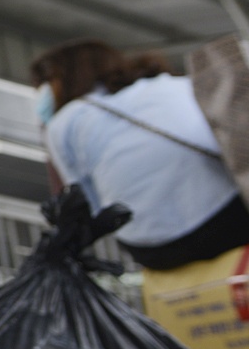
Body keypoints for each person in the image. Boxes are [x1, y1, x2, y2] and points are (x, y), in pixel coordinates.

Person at [33, 39, 249, 269]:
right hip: (231, 221)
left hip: (152, 249)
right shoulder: (175, 85)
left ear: (61, 80)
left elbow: (84, 203)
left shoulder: (64, 123)